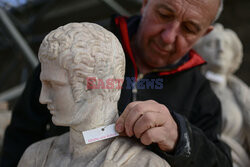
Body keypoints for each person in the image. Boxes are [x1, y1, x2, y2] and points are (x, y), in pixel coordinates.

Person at [1, 0, 232, 166]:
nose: (169, 36)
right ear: (145, 4)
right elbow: (22, 132)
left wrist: (182, 139)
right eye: (164, 14)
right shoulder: (72, 50)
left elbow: (221, 162)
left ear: (205, 33)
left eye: (190, 28)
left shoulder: (202, 95)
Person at [18, 22, 170, 167]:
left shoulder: (146, 164)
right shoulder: (35, 157)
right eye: (44, 84)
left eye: (54, 85)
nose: (42, 98)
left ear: (94, 86)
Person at [194, 23, 250, 167]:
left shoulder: (242, 95)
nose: (221, 50)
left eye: (226, 45)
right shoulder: (189, 89)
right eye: (212, 44)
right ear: (198, 51)